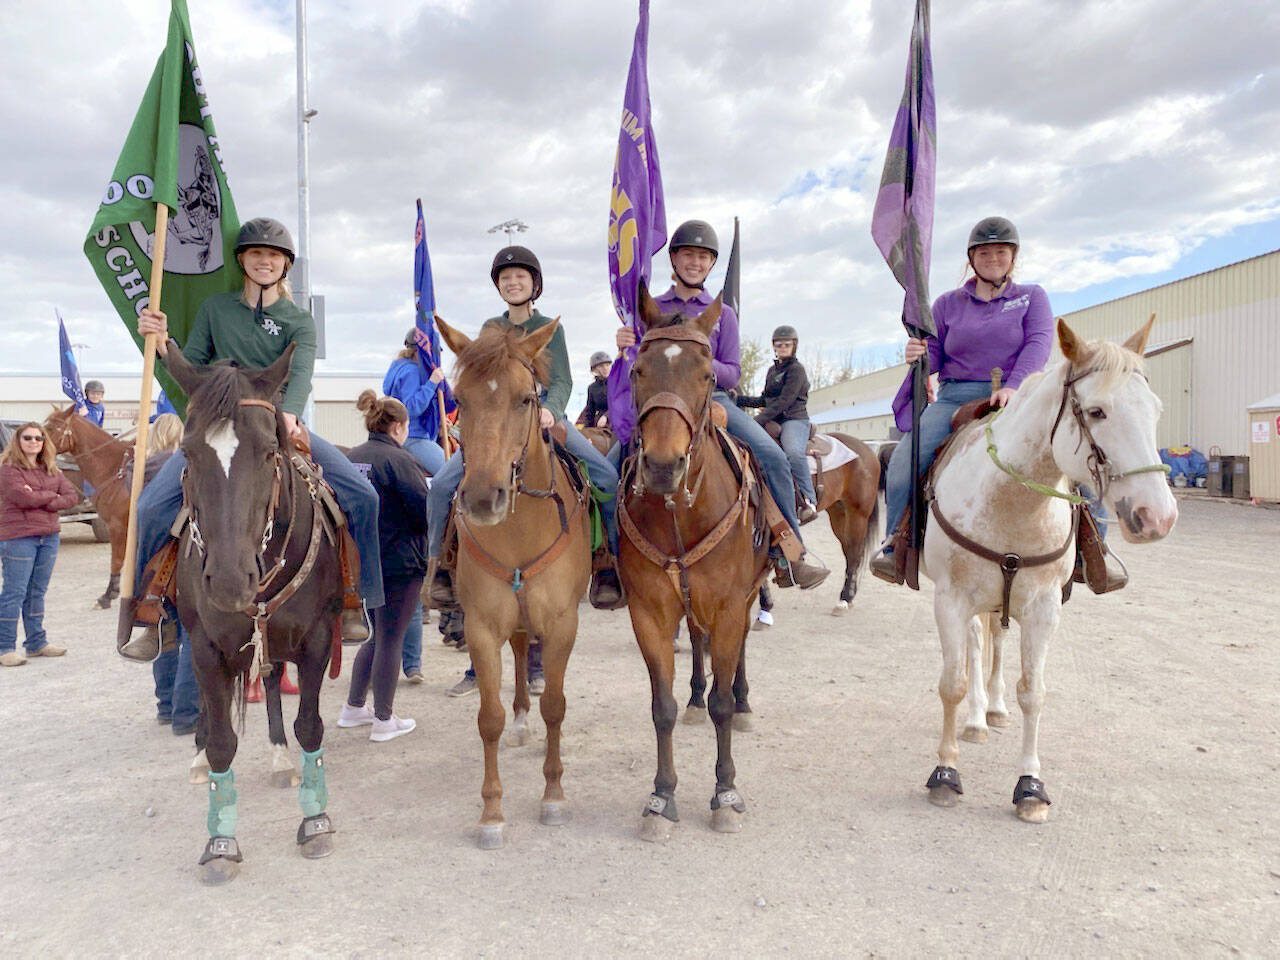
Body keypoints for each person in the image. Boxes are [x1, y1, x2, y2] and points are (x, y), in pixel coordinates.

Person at [121, 217, 381, 660]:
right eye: (257, 254)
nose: (265, 261)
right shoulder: (215, 310)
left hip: (273, 422)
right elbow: (193, 372)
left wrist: (292, 416)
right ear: (243, 261)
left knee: (362, 496)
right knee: (149, 507)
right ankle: (154, 611)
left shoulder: (299, 320)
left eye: (274, 256)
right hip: (220, 428)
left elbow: (299, 376)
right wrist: (164, 345)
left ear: (286, 266)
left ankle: (357, 600)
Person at [613, 219, 829, 588]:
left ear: (711, 264)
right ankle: (608, 562)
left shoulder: (722, 313)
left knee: (773, 458)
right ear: (674, 259)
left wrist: (692, 360)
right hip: (661, 400)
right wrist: (625, 344)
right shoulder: (650, 307)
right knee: (612, 462)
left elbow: (731, 373)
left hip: (711, 397)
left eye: (703, 257)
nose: (694, 263)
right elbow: (639, 364)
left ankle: (789, 552)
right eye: (687, 255)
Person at [427, 245, 624, 611]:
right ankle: (440, 565)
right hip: (503, 419)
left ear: (535, 284)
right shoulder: (491, 327)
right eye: (505, 278)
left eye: (520, 276)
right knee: (440, 485)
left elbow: (563, 380)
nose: (512, 282)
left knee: (606, 478)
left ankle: (608, 563)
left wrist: (550, 409)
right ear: (498, 286)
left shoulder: (551, 329)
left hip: (547, 415)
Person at [871, 216, 1053, 581]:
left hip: (1017, 394)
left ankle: (1091, 548)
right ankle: (896, 542)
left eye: (1001, 251)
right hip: (956, 396)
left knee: (1070, 447)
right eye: (984, 252)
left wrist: (1013, 385)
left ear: (1013, 257)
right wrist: (918, 354)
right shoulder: (946, 304)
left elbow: (1039, 343)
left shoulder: (1031, 297)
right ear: (972, 258)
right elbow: (935, 356)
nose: (993, 258)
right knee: (906, 458)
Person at [336, 391, 427, 742]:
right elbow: (423, 511)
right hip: (399, 562)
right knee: (391, 639)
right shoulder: (400, 460)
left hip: (360, 562)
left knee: (376, 636)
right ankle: (384, 719)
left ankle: (355, 706)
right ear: (399, 427)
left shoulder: (352, 458)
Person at [138, 413, 199, 732]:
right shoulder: (183, 463)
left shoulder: (141, 467)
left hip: (156, 564)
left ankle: (166, 706)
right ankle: (186, 713)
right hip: (185, 554)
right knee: (193, 632)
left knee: (164, 630)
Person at [0, 422, 79, 666]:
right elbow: (21, 497)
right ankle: (5, 648)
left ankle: (36, 643)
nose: (34, 442)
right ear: (18, 441)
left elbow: (73, 497)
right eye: (27, 438)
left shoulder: (52, 469)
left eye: (38, 438)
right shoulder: (8, 469)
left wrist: (40, 497)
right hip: (18, 537)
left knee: (37, 592)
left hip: (49, 536)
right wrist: (51, 497)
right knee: (15, 592)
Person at [737, 325, 817, 523]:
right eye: (778, 344)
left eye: (786, 344)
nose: (782, 348)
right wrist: (737, 399)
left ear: (794, 346)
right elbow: (765, 400)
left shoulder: (796, 370)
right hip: (773, 419)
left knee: (792, 452)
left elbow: (784, 402)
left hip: (793, 419)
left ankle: (808, 501)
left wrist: (756, 421)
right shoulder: (772, 370)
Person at [383, 329, 449, 476]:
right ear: (421, 351)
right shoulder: (412, 372)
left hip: (408, 434)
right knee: (451, 475)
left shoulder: (401, 368)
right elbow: (411, 408)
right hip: (414, 437)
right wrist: (432, 383)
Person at [576, 350, 612, 429]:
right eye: (601, 366)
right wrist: (585, 433)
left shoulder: (618, 384)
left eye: (607, 365)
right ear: (594, 369)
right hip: (600, 425)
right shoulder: (592, 388)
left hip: (619, 422)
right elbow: (590, 413)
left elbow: (620, 404)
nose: (605, 368)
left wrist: (606, 416)